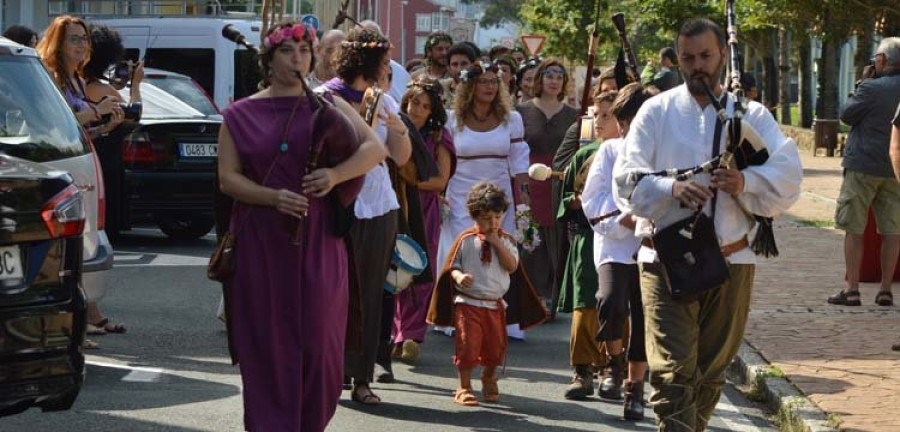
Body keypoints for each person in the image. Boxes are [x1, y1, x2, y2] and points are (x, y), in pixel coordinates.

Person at [612, 19, 801, 431]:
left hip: (731, 260)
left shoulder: (750, 113)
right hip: (665, 259)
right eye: (687, 58)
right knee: (673, 371)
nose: (697, 65)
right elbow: (625, 181)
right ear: (677, 58)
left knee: (711, 372)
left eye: (705, 56)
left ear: (722, 56)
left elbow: (788, 176)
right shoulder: (656, 111)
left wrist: (744, 181)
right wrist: (670, 187)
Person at [216, 21, 384, 431]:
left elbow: (374, 148)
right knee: (267, 347)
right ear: (268, 59)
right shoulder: (240, 113)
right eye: (288, 51)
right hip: (262, 242)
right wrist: (271, 196)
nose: (298, 59)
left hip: (320, 241)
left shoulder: (327, 104)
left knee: (321, 347)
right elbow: (228, 178)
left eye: (304, 51)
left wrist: (335, 176)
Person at [317, 27, 412, 405]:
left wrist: (400, 129)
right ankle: (329, 370)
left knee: (371, 293)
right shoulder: (325, 98)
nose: (389, 69)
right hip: (335, 201)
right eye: (384, 62)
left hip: (376, 205)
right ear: (367, 63)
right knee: (330, 292)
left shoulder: (383, 100)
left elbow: (400, 159)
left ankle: (361, 378)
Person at [37, 15, 126, 350]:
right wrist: (93, 112)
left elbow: (79, 129)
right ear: (58, 43)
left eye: (84, 39)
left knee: (84, 245)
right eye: (73, 38)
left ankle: (83, 315)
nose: (81, 45)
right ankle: (74, 320)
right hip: (61, 170)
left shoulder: (75, 79)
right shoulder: (52, 76)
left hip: (81, 166)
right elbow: (51, 125)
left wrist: (104, 127)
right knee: (66, 248)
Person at [438, 60, 535, 340]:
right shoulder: (451, 119)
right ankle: (459, 318)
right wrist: (441, 195)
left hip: (499, 197)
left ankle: (502, 320)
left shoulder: (511, 119)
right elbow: (442, 161)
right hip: (460, 197)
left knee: (499, 254)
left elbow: (519, 162)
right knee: (464, 255)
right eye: (484, 82)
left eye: (495, 82)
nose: (490, 87)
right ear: (470, 86)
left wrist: (524, 204)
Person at [427, 181, 543, 406]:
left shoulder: (507, 241)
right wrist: (459, 277)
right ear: (474, 217)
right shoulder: (466, 240)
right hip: (468, 302)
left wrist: (496, 243)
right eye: (486, 218)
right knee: (467, 345)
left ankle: (489, 378)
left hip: (494, 305)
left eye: (497, 217)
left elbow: (511, 266)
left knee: (495, 347)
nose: (493, 223)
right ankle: (464, 386)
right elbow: (453, 266)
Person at [582, 83, 658, 420]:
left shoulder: (662, 152)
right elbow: (592, 200)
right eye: (623, 120)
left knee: (644, 317)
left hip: (652, 248)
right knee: (610, 301)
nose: (626, 127)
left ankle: (635, 388)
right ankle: (614, 361)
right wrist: (625, 221)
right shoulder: (611, 151)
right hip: (615, 244)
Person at [556, 90, 619, 401]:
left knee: (617, 305)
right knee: (585, 306)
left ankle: (611, 368)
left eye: (606, 115)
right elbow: (565, 199)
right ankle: (582, 371)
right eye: (596, 115)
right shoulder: (583, 155)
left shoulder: (631, 153)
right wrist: (576, 202)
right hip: (586, 238)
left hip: (619, 240)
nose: (598, 121)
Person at [829, 37, 900, 308]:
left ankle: (853, 290)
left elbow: (846, 115)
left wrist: (861, 83)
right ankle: (885, 290)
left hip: (862, 167)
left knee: (853, 228)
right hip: (895, 169)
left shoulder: (871, 88)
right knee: (892, 231)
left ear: (881, 60)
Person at [392, 77, 456, 365]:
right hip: (392, 205)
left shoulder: (439, 137)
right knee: (392, 270)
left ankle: (412, 335)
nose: (416, 109)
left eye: (424, 105)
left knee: (418, 267)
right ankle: (394, 333)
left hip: (423, 209)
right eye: (414, 102)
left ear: (433, 110)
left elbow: (440, 179)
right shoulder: (393, 129)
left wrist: (411, 181)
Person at [516, 59, 578, 310]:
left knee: (559, 238)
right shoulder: (521, 112)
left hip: (560, 180)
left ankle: (554, 296)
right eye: (549, 76)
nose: (554, 81)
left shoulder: (574, 115)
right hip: (531, 180)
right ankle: (533, 297)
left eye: (559, 77)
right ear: (540, 79)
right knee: (532, 239)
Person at [83, 24, 144, 241]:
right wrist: (135, 85)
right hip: (107, 159)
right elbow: (133, 116)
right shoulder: (104, 90)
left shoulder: (76, 85)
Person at [552, 67, 618, 173]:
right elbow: (562, 165)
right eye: (605, 91)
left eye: (615, 89)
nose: (610, 94)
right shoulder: (585, 125)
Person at [440, 42, 477, 109]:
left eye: (464, 64)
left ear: (473, 65)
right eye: (455, 64)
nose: (459, 70)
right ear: (448, 68)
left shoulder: (480, 90)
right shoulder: (440, 89)